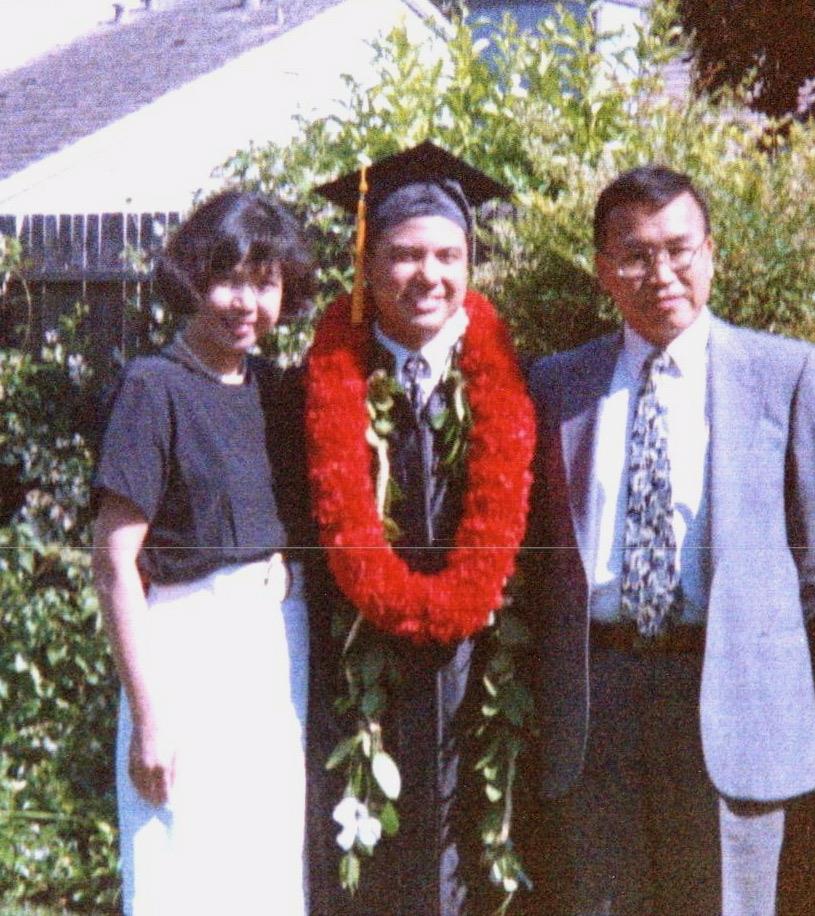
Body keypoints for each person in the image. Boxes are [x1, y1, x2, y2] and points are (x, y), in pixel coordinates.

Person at [526, 165, 815, 915]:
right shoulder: (557, 384)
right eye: (636, 254)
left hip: (727, 696)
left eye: (680, 250)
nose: (662, 273)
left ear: (711, 253)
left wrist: (744, 626)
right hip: (596, 700)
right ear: (602, 269)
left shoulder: (783, 373)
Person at [303, 141, 535, 915]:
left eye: (447, 255)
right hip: (353, 688)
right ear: (366, 269)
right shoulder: (313, 393)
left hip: (490, 683)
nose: (427, 275)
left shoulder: (523, 384)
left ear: (470, 267)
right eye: (403, 256)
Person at [91, 190, 314, 916]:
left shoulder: (276, 391)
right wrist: (151, 714)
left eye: (266, 281)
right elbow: (115, 563)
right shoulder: (152, 388)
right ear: (192, 278)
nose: (246, 301)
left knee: (262, 866)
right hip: (185, 651)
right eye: (228, 278)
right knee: (178, 871)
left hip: (274, 649)